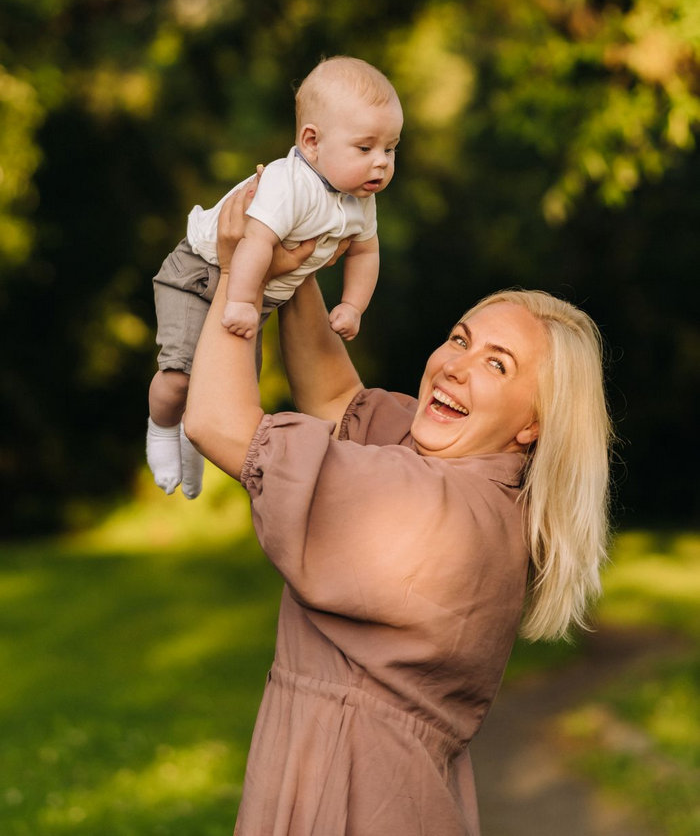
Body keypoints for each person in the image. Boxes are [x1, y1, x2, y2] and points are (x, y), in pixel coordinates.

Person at [184, 181, 612, 836]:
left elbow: (218, 422)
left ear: (533, 424)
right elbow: (335, 397)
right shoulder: (475, 478)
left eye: (498, 365)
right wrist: (293, 257)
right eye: (460, 339)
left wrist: (241, 268)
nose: (456, 367)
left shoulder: (435, 513)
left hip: (351, 797)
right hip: (380, 786)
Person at [147, 55, 403, 498]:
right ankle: (162, 428)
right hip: (202, 275)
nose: (380, 163)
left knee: (224, 387)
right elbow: (253, 244)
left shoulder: (360, 200)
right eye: (365, 148)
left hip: (257, 295)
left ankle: (192, 440)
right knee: (180, 379)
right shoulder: (290, 184)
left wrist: (352, 305)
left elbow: (366, 251)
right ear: (312, 142)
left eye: (391, 148)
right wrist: (242, 300)